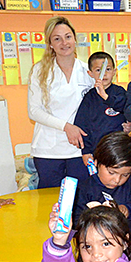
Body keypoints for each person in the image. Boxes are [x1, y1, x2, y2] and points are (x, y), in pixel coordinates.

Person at [27, 16, 94, 188]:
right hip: (49, 150)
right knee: (50, 203)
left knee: (81, 201)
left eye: (68, 36)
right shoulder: (39, 70)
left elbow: (97, 109)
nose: (64, 42)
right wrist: (66, 126)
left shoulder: (88, 71)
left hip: (80, 150)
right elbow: (34, 111)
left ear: (75, 39)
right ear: (50, 44)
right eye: (57, 38)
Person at [73, 132, 131, 241]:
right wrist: (94, 216)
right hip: (95, 250)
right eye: (111, 172)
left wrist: (128, 210)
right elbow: (76, 223)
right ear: (96, 162)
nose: (117, 180)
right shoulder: (84, 189)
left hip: (130, 248)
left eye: (125, 175)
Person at [74, 51, 126, 165]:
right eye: (98, 70)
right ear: (90, 73)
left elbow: (124, 107)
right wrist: (85, 151)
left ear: (114, 72)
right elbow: (82, 124)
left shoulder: (119, 92)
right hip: (96, 149)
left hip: (119, 149)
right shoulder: (89, 97)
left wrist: (105, 96)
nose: (104, 74)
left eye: (107, 69)